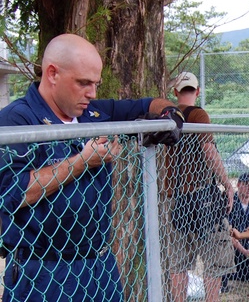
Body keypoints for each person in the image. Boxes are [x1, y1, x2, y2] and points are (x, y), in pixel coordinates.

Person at [0, 33, 184, 301]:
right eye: (83, 83)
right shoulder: (18, 119)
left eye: (95, 84)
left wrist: (170, 115)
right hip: (42, 269)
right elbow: (12, 193)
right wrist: (82, 162)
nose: (92, 93)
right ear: (52, 74)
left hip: (99, 265)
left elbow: (147, 104)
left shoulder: (92, 113)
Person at [164, 71, 235, 302]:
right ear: (198, 91)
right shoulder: (199, 114)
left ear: (175, 92)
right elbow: (209, 149)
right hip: (201, 196)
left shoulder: (166, 116)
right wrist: (227, 183)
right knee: (213, 261)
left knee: (178, 264)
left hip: (173, 197)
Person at [221, 172, 249, 292]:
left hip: (246, 245)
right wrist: (244, 251)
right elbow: (228, 233)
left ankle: (241, 271)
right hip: (230, 245)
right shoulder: (229, 203)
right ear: (238, 185)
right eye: (246, 184)